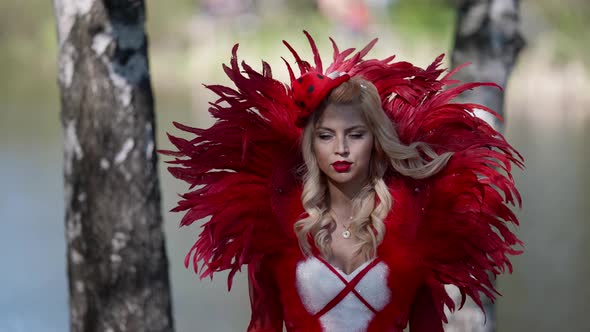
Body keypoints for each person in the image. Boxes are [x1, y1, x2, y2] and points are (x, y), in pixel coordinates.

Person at [161, 31, 523, 332]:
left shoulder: (417, 223)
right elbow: (263, 326)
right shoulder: (275, 224)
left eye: (355, 134)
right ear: (310, 144)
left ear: (376, 140)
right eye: (326, 136)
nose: (342, 149)